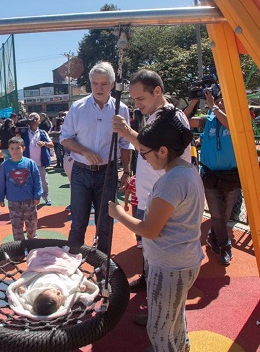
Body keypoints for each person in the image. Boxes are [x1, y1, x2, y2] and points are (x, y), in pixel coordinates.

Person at [108, 110, 204, 352]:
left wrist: (119, 215)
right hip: (182, 261)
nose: (144, 159)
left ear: (163, 151)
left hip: (169, 265)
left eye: (145, 153)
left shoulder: (172, 182)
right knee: (174, 319)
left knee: (159, 328)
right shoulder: (187, 171)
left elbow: (149, 230)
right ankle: (180, 348)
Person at [111, 69, 192, 293]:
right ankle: (150, 281)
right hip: (152, 192)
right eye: (134, 99)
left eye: (140, 98)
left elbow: (154, 150)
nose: (137, 104)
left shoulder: (169, 117)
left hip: (163, 196)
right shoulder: (159, 115)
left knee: (158, 243)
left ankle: (159, 292)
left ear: (157, 91)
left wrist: (127, 132)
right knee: (150, 245)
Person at [60, 61, 133, 253]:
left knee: (105, 225)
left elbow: (126, 143)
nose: (99, 88)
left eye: (104, 84)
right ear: (90, 83)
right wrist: (85, 151)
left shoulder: (121, 109)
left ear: (112, 84)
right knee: (78, 223)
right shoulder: (77, 107)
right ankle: (72, 268)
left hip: (107, 174)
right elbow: (65, 139)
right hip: (81, 172)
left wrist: (127, 171)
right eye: (95, 83)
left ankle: (103, 270)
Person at [188, 88, 241, 266]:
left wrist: (214, 108)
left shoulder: (234, 120)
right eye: (217, 101)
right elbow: (185, 120)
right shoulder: (207, 120)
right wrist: (195, 100)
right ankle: (226, 247)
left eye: (223, 102)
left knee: (225, 215)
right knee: (217, 215)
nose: (219, 104)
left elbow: (230, 125)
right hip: (210, 175)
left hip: (231, 176)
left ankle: (212, 236)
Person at [6, 246, 98, 319]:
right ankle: (60, 254)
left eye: (53, 292)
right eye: (59, 297)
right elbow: (69, 284)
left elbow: (28, 286)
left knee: (37, 261)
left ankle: (49, 254)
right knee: (67, 269)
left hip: (41, 271)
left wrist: (22, 288)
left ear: (40, 293)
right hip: (59, 272)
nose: (58, 292)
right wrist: (80, 287)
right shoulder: (65, 293)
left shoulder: (34, 291)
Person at [0, 137, 43, 241]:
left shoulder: (30, 163)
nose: (15, 151)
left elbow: (37, 180)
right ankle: (19, 249)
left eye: (18, 148)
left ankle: (32, 246)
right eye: (12, 148)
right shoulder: (5, 165)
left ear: (24, 148)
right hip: (13, 202)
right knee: (17, 227)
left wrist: (37, 195)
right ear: (8, 150)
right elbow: (2, 182)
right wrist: (1, 197)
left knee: (32, 226)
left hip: (30, 200)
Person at [21, 112, 54, 206]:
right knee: (28, 182)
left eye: (36, 119)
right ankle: (30, 198)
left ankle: (46, 196)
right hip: (27, 163)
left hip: (40, 163)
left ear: (40, 121)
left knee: (44, 182)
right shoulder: (24, 132)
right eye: (32, 119)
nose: (34, 121)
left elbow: (51, 144)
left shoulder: (43, 132)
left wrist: (44, 143)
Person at [123, 174, 142, 249]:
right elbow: (128, 191)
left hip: (144, 204)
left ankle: (144, 238)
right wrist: (126, 204)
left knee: (144, 220)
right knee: (136, 221)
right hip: (135, 205)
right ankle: (139, 239)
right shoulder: (133, 179)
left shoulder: (147, 178)